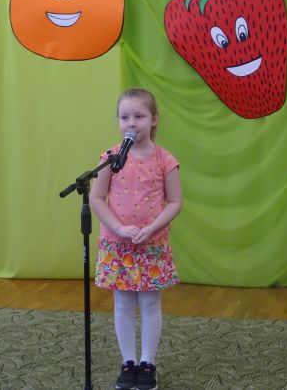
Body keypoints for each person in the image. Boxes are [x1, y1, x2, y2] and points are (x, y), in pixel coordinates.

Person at [90, 88, 182, 390]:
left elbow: (175, 202)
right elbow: (97, 198)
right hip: (118, 244)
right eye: (125, 117)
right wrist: (118, 228)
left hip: (151, 244)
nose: (132, 123)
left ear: (154, 119)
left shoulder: (165, 160)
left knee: (150, 304)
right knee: (123, 304)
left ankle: (148, 363)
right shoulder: (110, 158)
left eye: (139, 116)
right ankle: (128, 362)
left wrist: (152, 228)